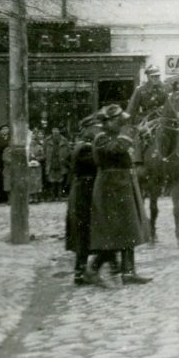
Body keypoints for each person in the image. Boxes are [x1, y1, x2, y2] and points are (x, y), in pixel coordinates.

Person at [87, 104, 151, 285]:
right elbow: (115, 149)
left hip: (122, 185)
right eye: (118, 121)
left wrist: (137, 134)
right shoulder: (100, 137)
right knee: (114, 233)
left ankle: (128, 272)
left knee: (129, 228)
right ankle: (92, 269)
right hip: (110, 187)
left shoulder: (114, 136)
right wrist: (129, 132)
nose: (121, 124)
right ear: (107, 122)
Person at [66, 113, 107, 286]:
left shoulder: (86, 146)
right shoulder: (84, 148)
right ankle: (84, 272)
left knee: (84, 235)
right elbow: (97, 163)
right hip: (85, 194)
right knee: (84, 234)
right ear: (88, 130)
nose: (99, 131)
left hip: (84, 193)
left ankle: (81, 272)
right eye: (96, 128)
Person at [43, 127, 71, 202]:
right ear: (52, 133)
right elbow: (44, 150)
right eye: (54, 132)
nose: (55, 134)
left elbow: (68, 151)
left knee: (60, 180)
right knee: (51, 180)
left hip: (60, 162)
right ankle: (52, 196)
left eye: (57, 132)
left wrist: (64, 158)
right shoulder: (47, 140)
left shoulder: (64, 140)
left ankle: (59, 196)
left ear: (59, 132)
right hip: (51, 162)